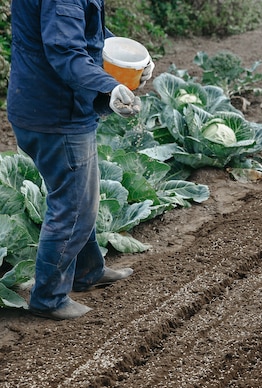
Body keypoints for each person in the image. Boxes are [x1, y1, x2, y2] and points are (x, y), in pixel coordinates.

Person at [7, 0, 155, 320]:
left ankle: (87, 271)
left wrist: (134, 58)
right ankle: (49, 297)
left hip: (39, 106)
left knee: (78, 194)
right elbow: (65, 51)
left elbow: (87, 33)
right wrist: (110, 85)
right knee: (74, 207)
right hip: (56, 114)